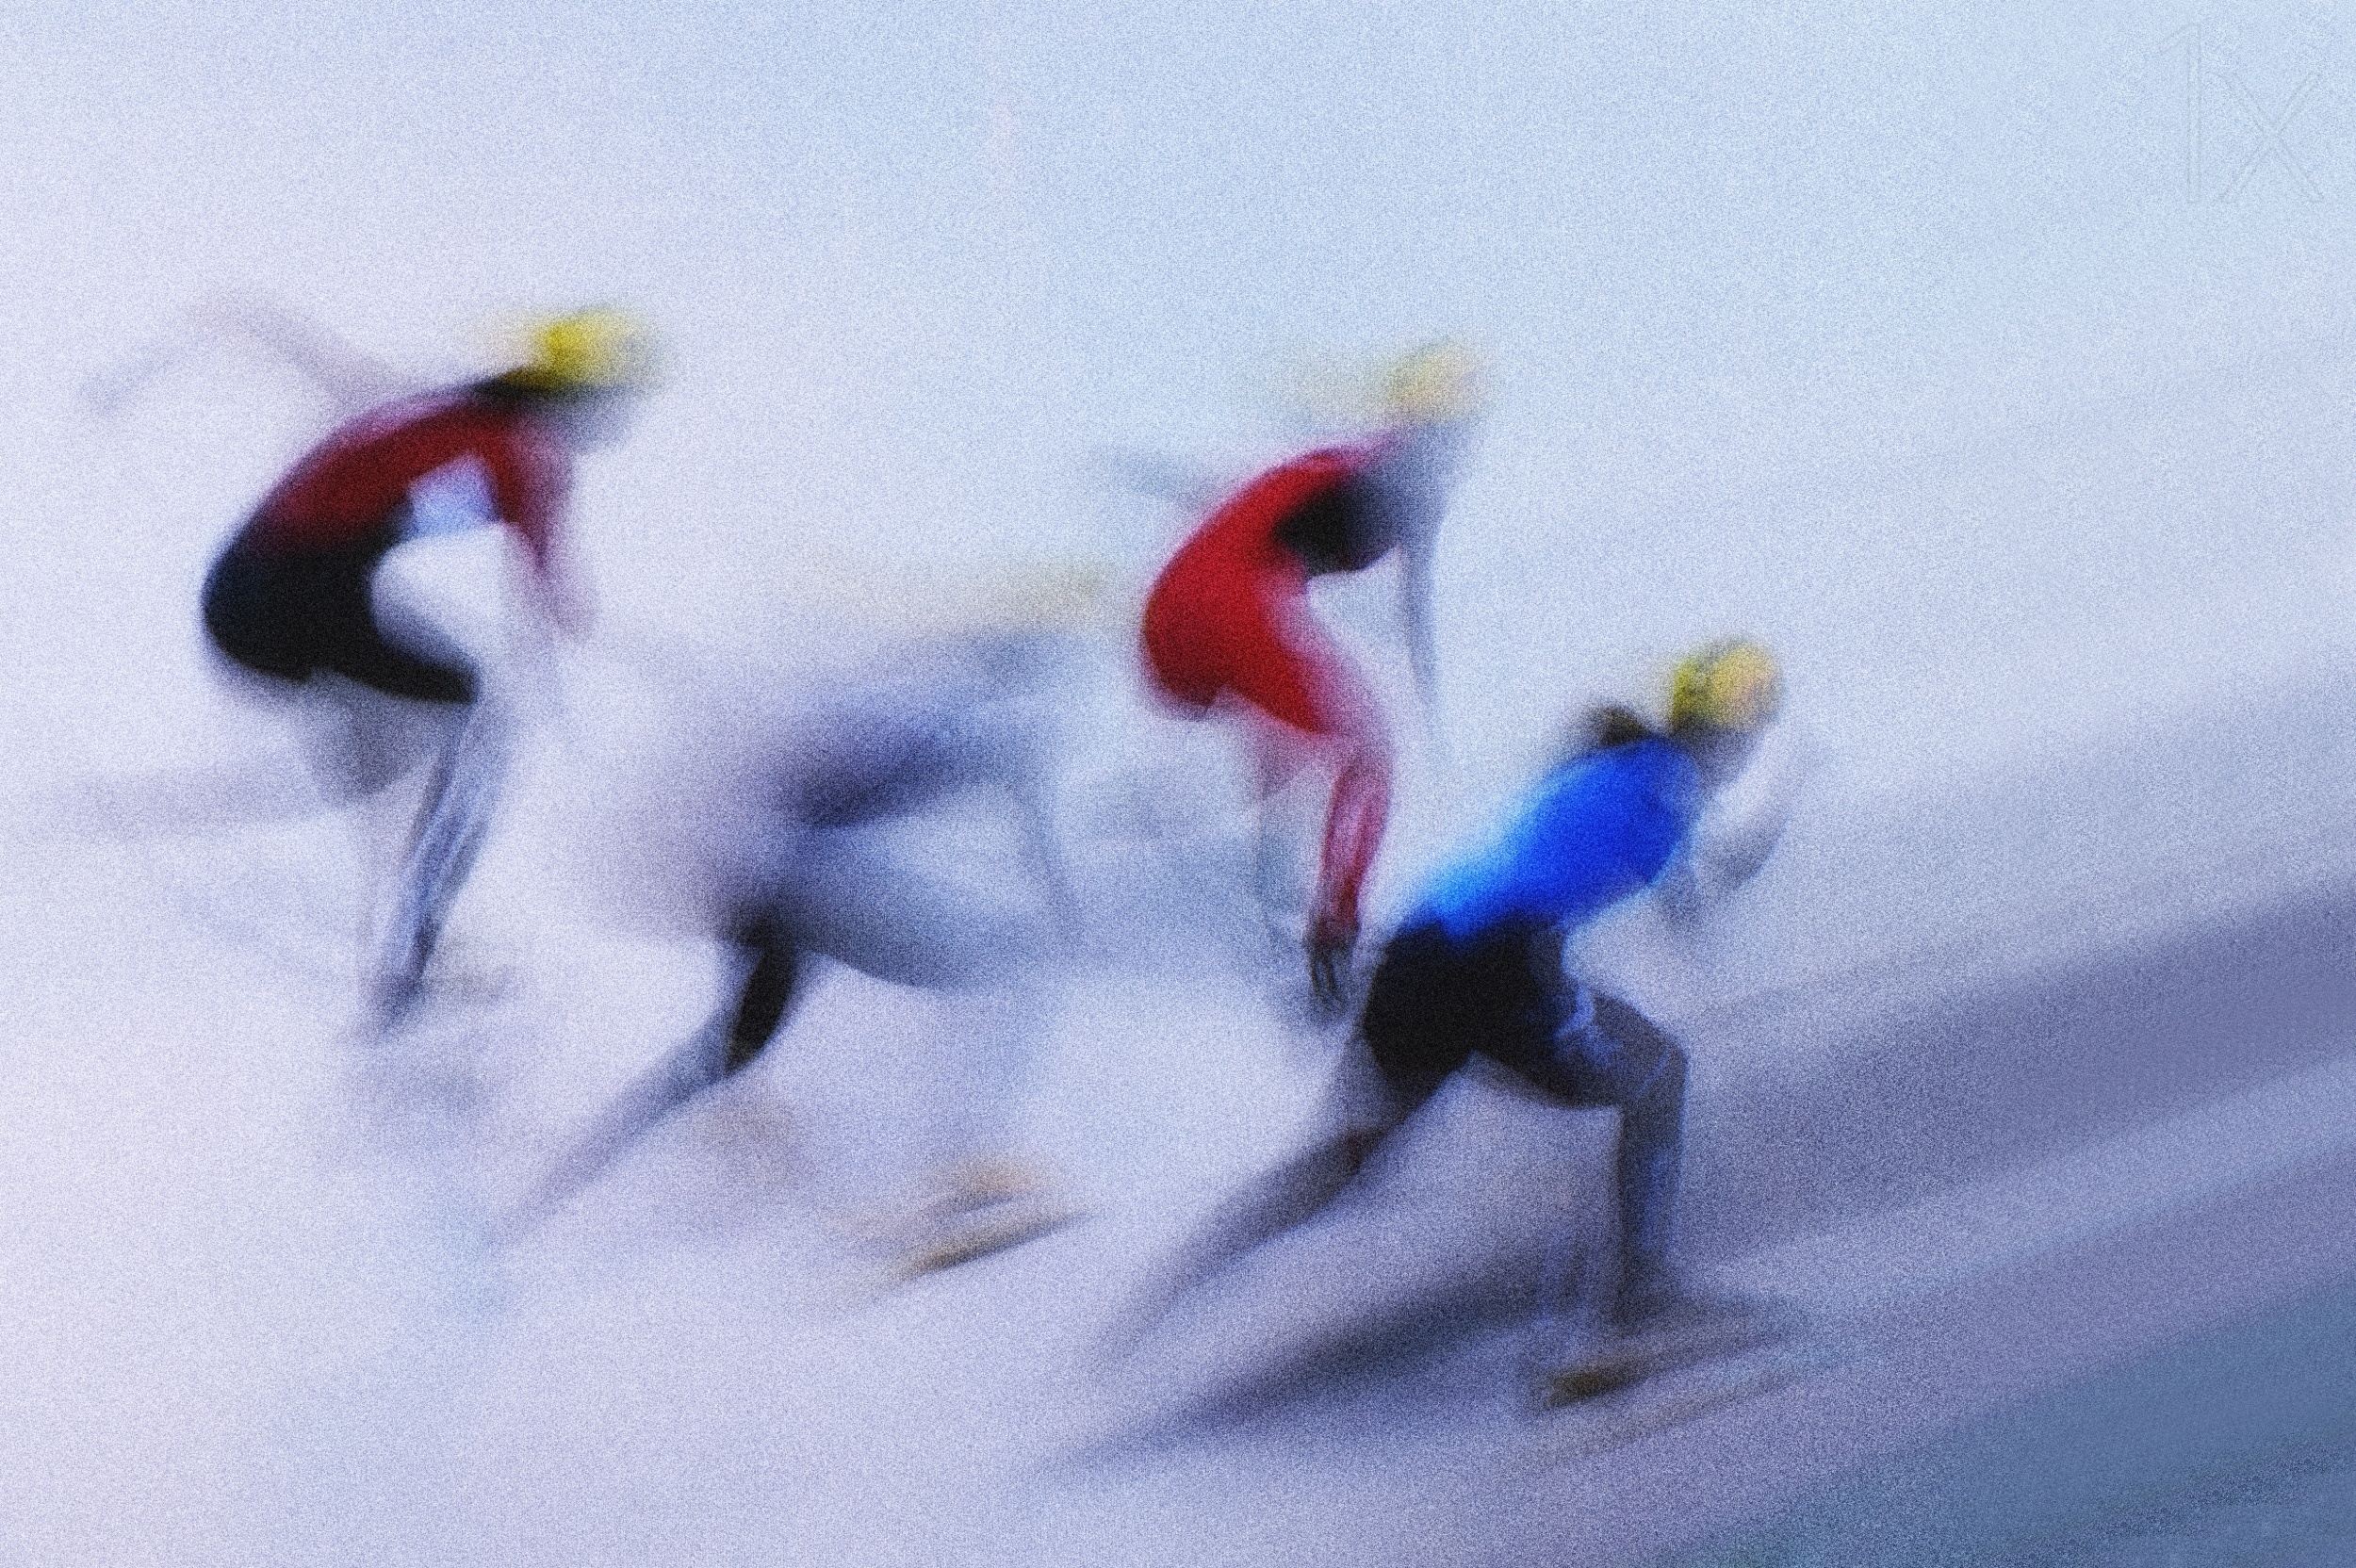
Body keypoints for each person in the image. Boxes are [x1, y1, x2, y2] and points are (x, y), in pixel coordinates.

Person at [1119, 639, 1794, 1350]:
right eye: (1747, 734)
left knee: (1347, 1162)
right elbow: (1685, 904)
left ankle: (1165, 1297)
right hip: (1491, 963)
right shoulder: (1660, 792)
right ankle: (1638, 1300)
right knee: (1656, 1077)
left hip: (1417, 954)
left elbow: (1560, 871)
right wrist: (1779, 810)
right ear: (1720, 733)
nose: (1748, 751)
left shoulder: (1625, 767)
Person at [496, 592, 1101, 1275]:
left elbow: (824, 774)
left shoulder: (910, 688)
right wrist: (1063, 911)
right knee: (1005, 968)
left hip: (721, 859)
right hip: (756, 862)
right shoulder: (960, 720)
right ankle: (953, 1179)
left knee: (736, 1043)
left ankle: (551, 1194)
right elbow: (975, 796)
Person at [200, 306, 654, 1016]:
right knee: (482, 728)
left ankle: (387, 914)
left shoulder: (457, 406)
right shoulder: (527, 452)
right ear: (584, 397)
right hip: (287, 605)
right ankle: (409, 957)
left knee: (432, 715)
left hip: (247, 585)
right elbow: (552, 609)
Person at [1138, 344, 1480, 1005]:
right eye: (1461, 430)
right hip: (1231, 598)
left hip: (1173, 619)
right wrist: (1432, 710)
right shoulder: (1404, 476)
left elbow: (1258, 510)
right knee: (1369, 755)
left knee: (1290, 752)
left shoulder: (1355, 461)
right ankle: (1332, 939)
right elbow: (1413, 607)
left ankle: (1255, 893)